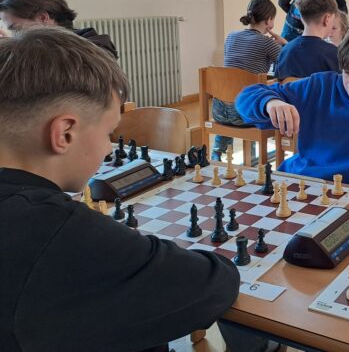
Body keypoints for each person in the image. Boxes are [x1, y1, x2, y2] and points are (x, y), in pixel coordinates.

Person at [0, 27, 241, 351]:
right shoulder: (56, 229)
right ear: (65, 133)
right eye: (108, 133)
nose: (108, 148)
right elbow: (213, 282)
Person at [235, 15, 349, 195]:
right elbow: (245, 98)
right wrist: (270, 102)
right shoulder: (320, 86)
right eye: (347, 72)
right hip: (301, 185)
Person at [211, 0, 287, 161]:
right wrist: (283, 43)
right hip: (245, 114)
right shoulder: (266, 43)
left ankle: (218, 152)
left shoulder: (231, 37)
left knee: (232, 95)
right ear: (269, 20)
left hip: (218, 111)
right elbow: (290, 61)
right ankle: (254, 158)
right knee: (262, 99)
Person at [0, 0, 118, 58]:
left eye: (16, 29)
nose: (13, 36)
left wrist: (12, 52)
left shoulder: (96, 48)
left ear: (42, 18)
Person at [274, 0, 339, 80]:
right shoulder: (334, 55)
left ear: (301, 18)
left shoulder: (284, 52)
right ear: (327, 19)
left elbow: (277, 84)